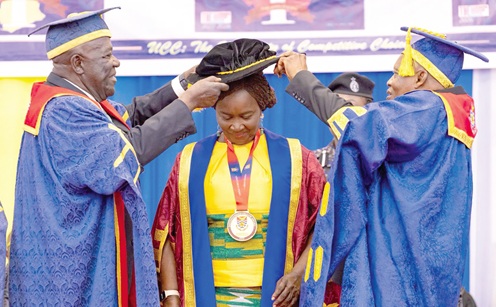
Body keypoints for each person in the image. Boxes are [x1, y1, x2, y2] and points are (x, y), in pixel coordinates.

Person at [9, 7, 228, 306]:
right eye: (107, 56)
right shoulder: (65, 111)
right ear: (78, 63)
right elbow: (121, 157)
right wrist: (189, 102)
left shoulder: (73, 101)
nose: (116, 62)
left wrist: (183, 85)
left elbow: (127, 118)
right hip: (75, 277)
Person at [275, 27, 488, 306]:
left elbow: (355, 124)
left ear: (421, 77)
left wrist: (301, 77)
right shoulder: (450, 116)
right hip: (427, 262)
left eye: (398, 73)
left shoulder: (425, 108)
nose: (389, 82)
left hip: (398, 263)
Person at [150, 38, 339, 307]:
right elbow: (166, 231)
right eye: (226, 117)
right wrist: (170, 295)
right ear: (214, 109)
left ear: (262, 109)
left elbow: (324, 226)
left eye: (246, 116)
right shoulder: (191, 160)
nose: (237, 125)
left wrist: (298, 275)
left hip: (276, 295)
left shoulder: (297, 158)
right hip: (207, 294)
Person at [312, 72, 375, 176]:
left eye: (350, 107)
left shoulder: (379, 159)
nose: (341, 115)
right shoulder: (313, 162)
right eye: (336, 108)